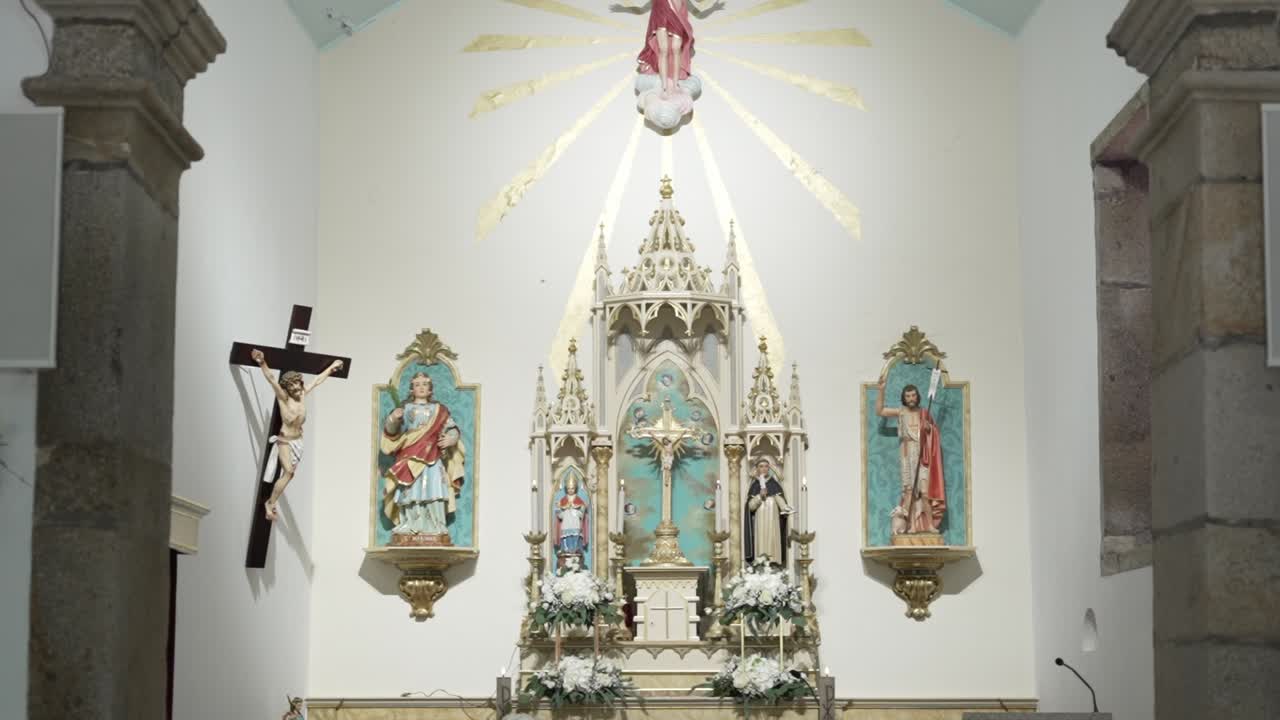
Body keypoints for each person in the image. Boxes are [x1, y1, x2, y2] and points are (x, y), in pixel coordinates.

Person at [250, 349, 343, 520]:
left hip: (298, 441)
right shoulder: (284, 397)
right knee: (289, 472)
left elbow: (317, 380)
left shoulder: (302, 394)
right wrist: (262, 362)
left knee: (290, 474)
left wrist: (332, 368)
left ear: (300, 382)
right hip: (285, 440)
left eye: (296, 383)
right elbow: (271, 379)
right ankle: (270, 503)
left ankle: (271, 502)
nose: (294, 388)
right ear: (286, 387)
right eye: (290, 385)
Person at [380, 372, 466, 539]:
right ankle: (410, 523)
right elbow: (391, 431)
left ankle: (436, 524)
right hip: (409, 454)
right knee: (410, 489)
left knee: (434, 488)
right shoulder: (405, 408)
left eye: (425, 384)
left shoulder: (439, 410)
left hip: (432, 457)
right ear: (412, 389)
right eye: (417, 384)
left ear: (430, 390)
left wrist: (451, 438)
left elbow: (452, 429)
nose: (421, 387)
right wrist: (393, 418)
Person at [876, 378, 946, 535]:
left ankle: (930, 525)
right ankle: (912, 525)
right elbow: (880, 411)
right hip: (907, 455)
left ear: (917, 396)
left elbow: (933, 434)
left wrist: (929, 429)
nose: (911, 399)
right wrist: (881, 390)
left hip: (923, 456)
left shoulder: (924, 413)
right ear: (904, 397)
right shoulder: (901, 412)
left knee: (924, 493)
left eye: (913, 395)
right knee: (910, 492)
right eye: (908, 396)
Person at [614, 0, 726, 95]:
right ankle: (664, 86)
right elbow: (642, 8)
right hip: (661, 14)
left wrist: (713, 8)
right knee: (664, 50)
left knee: (676, 50)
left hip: (677, 18)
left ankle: (675, 84)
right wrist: (622, 9)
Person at [744, 458, 792, 565]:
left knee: (773, 540)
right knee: (761, 541)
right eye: (761, 466)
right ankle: (760, 562)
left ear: (769, 468)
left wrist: (785, 508)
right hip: (760, 519)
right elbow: (750, 507)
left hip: (773, 518)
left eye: (766, 466)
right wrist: (759, 496)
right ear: (757, 469)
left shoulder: (774, 484)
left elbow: (780, 501)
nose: (764, 469)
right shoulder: (755, 485)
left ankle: (774, 562)